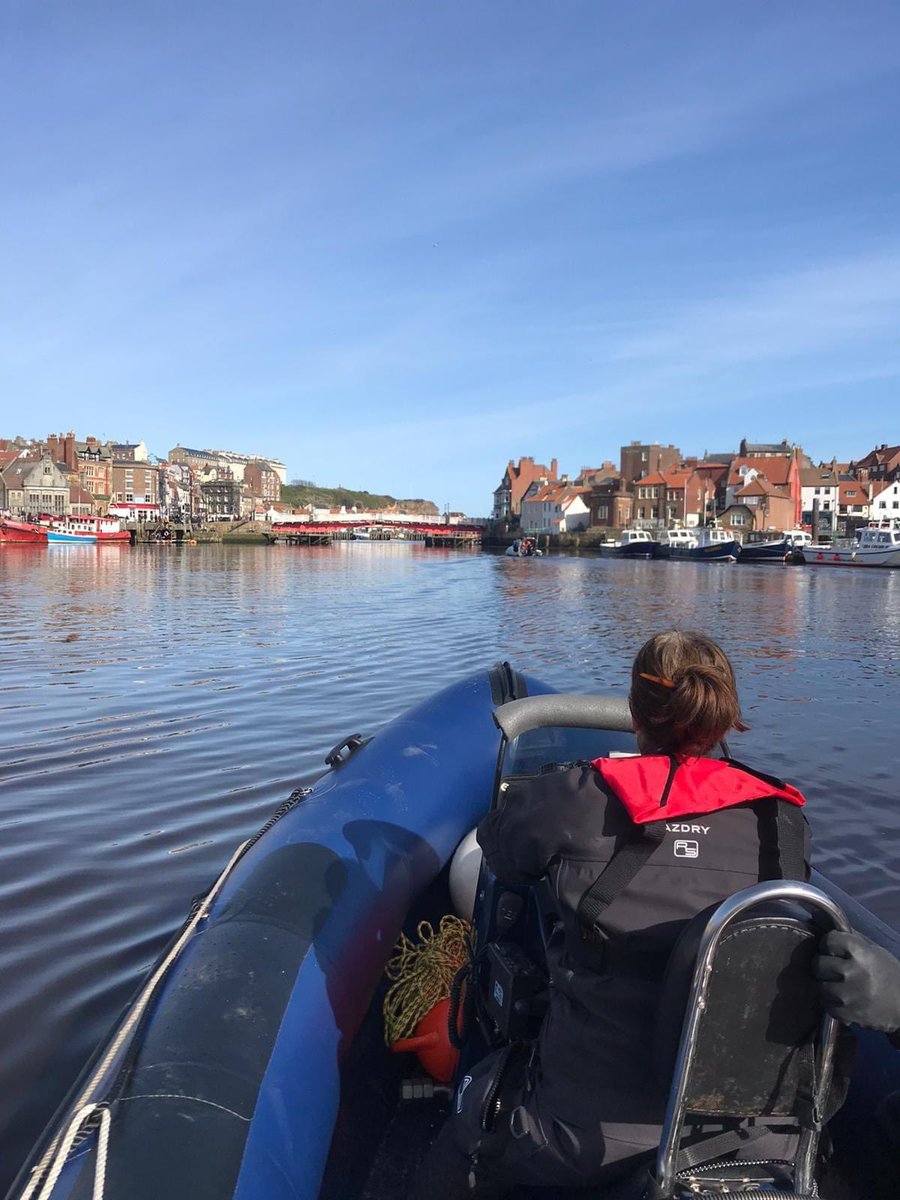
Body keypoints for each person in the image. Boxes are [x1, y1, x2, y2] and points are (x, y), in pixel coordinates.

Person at [415, 630, 811, 1198]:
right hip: (750, 1136)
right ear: (723, 718)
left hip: (585, 1136)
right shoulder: (782, 821)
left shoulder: (575, 797)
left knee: (472, 1114)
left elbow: (500, 852)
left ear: (635, 712)